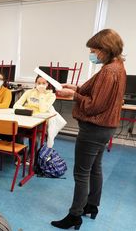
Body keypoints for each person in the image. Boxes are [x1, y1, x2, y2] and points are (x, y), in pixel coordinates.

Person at [51, 29, 126, 230]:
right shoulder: (117, 67)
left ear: (105, 49)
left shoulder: (109, 71)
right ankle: (92, 205)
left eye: (94, 50)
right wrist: (75, 88)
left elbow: (94, 106)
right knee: (95, 168)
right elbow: (98, 93)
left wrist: (73, 96)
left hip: (94, 129)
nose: (92, 54)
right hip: (106, 128)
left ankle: (75, 215)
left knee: (81, 173)